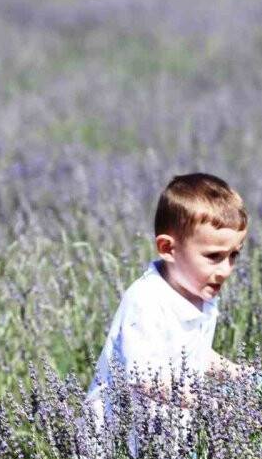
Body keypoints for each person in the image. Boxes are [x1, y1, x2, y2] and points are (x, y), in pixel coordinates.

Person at [86, 173, 251, 441]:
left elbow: (194, 354)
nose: (225, 270)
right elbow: (144, 377)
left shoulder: (200, 294)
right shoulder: (146, 301)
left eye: (234, 255)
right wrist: (210, 403)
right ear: (168, 248)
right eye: (213, 256)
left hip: (165, 441)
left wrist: (243, 376)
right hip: (118, 446)